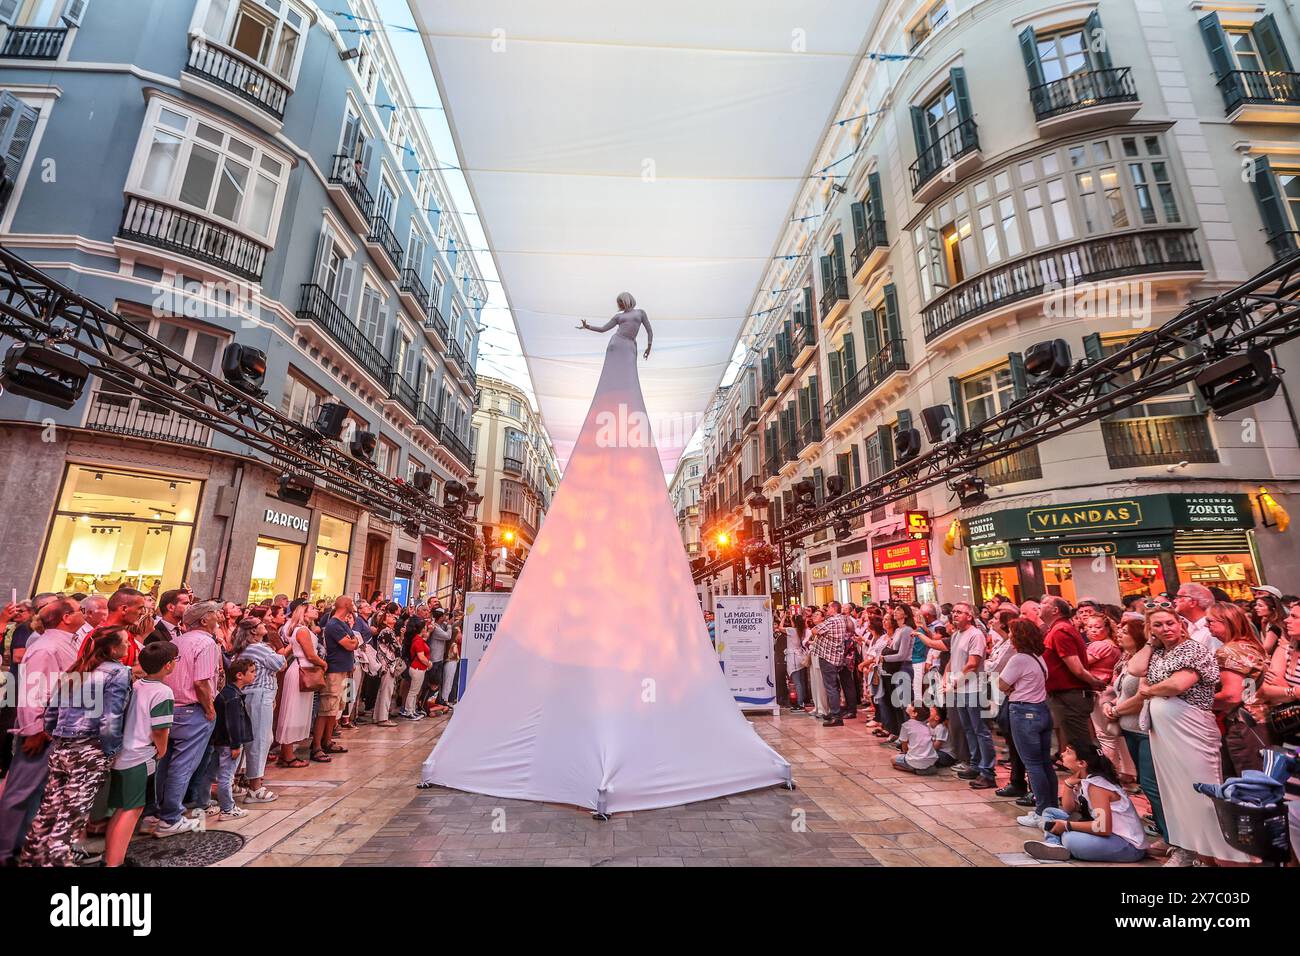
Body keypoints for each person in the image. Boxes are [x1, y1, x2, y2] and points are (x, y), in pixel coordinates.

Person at [1114, 602, 1250, 866]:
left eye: (1170, 623)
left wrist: (1148, 691)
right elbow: (1135, 670)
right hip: (1165, 734)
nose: (1165, 628)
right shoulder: (1158, 652)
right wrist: (1151, 645)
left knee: (1200, 791)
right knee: (1174, 793)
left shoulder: (1193, 649)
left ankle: (1220, 855)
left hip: (1192, 730)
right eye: (1157, 625)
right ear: (1149, 629)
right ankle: (1194, 852)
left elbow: (1178, 684)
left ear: (1180, 624)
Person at [19, 626, 131, 866]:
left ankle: (32, 858)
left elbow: (52, 710)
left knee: (49, 808)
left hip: (62, 747)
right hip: (89, 749)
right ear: (112, 649)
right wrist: (110, 751)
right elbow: (110, 718)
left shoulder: (77, 667)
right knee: (72, 813)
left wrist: (54, 733)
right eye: (125, 642)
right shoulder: (117, 672)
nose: (129, 646)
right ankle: (57, 861)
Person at [0, 598, 85, 864]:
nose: (84, 613)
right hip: (41, 732)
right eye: (79, 610)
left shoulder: (65, 642)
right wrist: (34, 730)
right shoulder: (46, 648)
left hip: (58, 730)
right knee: (21, 792)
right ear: (66, 617)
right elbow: (31, 693)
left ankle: (26, 845)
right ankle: (4, 851)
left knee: (42, 793)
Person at [145, 601, 223, 838]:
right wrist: (209, 709)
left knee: (165, 763)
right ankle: (171, 817)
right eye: (213, 614)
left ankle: (157, 813)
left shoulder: (177, 641)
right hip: (193, 709)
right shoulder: (207, 643)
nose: (217, 617)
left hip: (170, 707)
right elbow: (201, 682)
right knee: (184, 764)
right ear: (203, 620)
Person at [104, 641, 177, 867]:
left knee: (122, 809)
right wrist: (162, 750)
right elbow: (160, 729)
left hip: (122, 752)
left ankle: (111, 857)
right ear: (168, 665)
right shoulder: (163, 691)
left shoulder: (136, 685)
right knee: (132, 811)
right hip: (140, 755)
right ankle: (114, 863)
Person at [1022, 743, 1147, 863]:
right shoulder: (1087, 779)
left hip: (1127, 845)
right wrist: (1068, 785)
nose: (1062, 754)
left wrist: (1067, 826)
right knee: (1050, 812)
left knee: (1069, 839)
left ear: (1082, 763)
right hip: (1107, 833)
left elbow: (1102, 827)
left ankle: (1058, 843)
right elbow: (1069, 809)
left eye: (1068, 752)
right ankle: (1054, 845)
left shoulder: (1097, 787)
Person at [997, 619, 1055, 825]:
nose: (1009, 637)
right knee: (1044, 762)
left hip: (1023, 711)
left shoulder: (1019, 658)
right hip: (1041, 710)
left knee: (1032, 763)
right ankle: (1050, 807)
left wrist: (1010, 688)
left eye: (1012, 633)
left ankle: (1041, 809)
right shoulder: (1038, 657)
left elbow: (1002, 683)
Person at [1207, 601, 1270, 776]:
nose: (1207, 625)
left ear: (1227, 622)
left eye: (1211, 621)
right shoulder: (1251, 644)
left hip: (1245, 723)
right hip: (1262, 720)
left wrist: (1199, 701)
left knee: (1254, 783)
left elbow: (1231, 696)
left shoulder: (1229, 651)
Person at [1040, 596, 1104, 756]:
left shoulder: (1061, 631)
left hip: (1070, 696)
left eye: (1044, 604)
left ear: (1055, 610)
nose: (1039, 606)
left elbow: (1077, 668)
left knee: (1080, 744)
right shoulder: (1056, 630)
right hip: (1065, 695)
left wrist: (1096, 682)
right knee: (1075, 743)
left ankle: (1095, 776)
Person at [232, 616, 286, 803]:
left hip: (255, 694)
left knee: (252, 738)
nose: (265, 625)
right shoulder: (257, 648)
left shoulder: (248, 648)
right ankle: (255, 787)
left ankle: (235, 781)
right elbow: (280, 663)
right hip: (259, 694)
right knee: (260, 739)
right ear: (254, 631)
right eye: (261, 624)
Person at [946, 602, 995, 788]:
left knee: (981, 730)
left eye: (959, 612)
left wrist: (956, 681)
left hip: (974, 689)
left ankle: (987, 771)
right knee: (968, 728)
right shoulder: (956, 635)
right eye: (953, 612)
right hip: (960, 689)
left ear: (970, 616)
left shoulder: (975, 635)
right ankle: (975, 764)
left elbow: (973, 663)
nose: (955, 615)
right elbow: (953, 660)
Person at [276, 603, 325, 768]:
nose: (316, 610)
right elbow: (310, 655)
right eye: (312, 609)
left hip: (302, 669)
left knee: (296, 710)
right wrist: (323, 664)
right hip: (302, 670)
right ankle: (288, 755)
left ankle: (286, 752)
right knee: (293, 711)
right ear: (303, 614)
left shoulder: (301, 629)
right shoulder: (302, 631)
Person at [313, 596, 359, 759]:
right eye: (351, 603)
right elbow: (349, 644)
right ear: (346, 605)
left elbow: (355, 642)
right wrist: (353, 641)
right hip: (334, 669)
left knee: (335, 708)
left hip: (343, 668)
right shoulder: (334, 624)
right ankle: (317, 745)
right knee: (326, 708)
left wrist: (353, 641)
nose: (354, 605)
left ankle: (328, 740)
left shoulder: (344, 623)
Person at [212, 659, 257, 821]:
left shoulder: (229, 693)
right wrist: (235, 744)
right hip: (227, 743)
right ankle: (227, 808)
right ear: (239, 675)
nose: (254, 675)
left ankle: (203, 803)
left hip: (221, 741)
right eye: (251, 672)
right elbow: (233, 723)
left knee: (211, 774)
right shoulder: (233, 697)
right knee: (226, 775)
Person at [809, 603, 847, 727]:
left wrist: (819, 632)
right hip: (835, 656)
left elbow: (814, 630)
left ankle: (836, 715)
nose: (827, 610)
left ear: (834, 609)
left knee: (830, 687)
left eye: (829, 607)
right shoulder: (841, 619)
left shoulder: (832, 620)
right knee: (833, 686)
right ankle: (833, 711)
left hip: (828, 656)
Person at [892, 702, 939, 774]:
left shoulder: (906, 726)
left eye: (912, 705)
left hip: (913, 760)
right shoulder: (928, 726)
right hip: (931, 760)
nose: (909, 705)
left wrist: (905, 753)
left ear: (915, 714)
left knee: (893, 760)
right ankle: (925, 769)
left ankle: (915, 770)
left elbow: (904, 745)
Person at [1174, 583, 1218, 654]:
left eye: (1179, 597)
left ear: (1192, 602)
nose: (1175, 601)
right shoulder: (1189, 626)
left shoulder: (1211, 630)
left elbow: (1216, 661)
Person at [402, 617, 432, 719]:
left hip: (418, 668)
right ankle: (408, 711)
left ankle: (412, 710)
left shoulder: (417, 638)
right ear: (422, 629)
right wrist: (429, 664)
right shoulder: (418, 641)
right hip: (418, 668)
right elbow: (421, 657)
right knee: (414, 691)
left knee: (415, 690)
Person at [1249, 586, 1286, 656]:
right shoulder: (1266, 621)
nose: (1256, 608)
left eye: (1260, 606)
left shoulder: (1275, 626)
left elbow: (1266, 648)